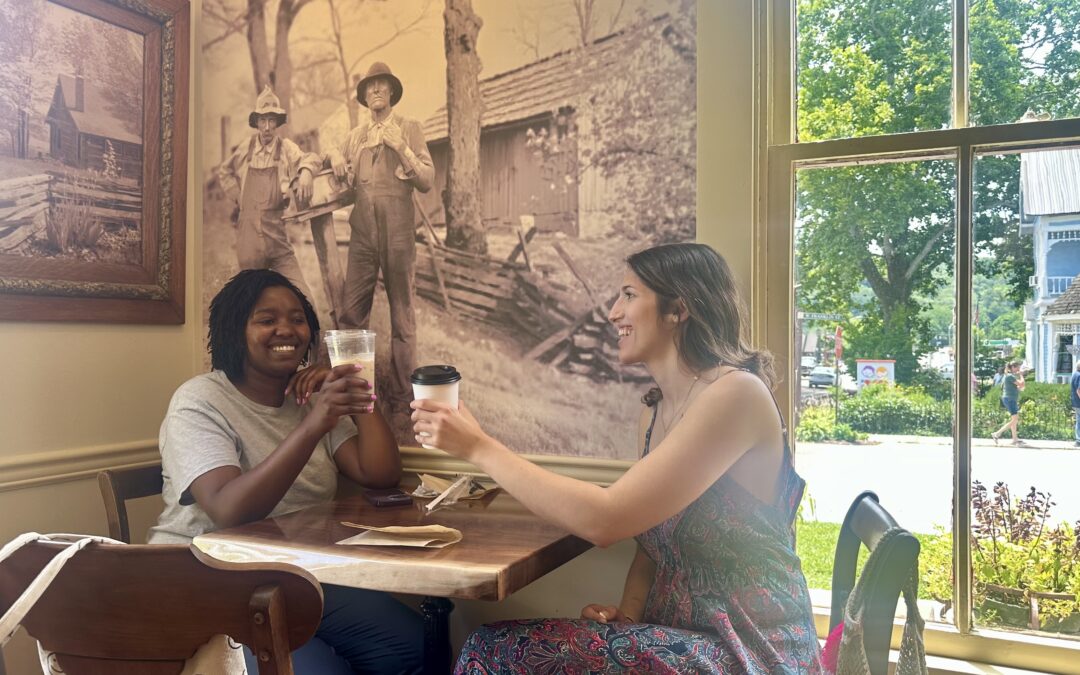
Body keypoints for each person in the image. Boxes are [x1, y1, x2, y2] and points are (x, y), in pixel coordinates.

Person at [413, 243, 822, 674]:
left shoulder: (736, 394)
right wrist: (627, 618)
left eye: (629, 295)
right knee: (502, 648)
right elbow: (650, 548)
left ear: (677, 309)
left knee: (490, 650)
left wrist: (478, 446)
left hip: (751, 649)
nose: (612, 313)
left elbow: (607, 521)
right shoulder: (654, 412)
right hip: (680, 637)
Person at [148, 269, 422, 674]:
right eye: (266, 319)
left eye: (297, 319)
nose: (286, 330)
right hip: (208, 585)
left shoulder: (308, 397)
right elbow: (229, 511)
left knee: (417, 645)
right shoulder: (199, 401)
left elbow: (379, 473)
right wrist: (315, 425)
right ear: (234, 331)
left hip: (296, 578)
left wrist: (355, 391)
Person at [325, 62, 434, 416]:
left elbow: (428, 179)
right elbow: (327, 156)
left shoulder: (410, 128)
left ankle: (403, 397)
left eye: (381, 86)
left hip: (400, 234)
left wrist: (402, 149)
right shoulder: (356, 136)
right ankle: (354, 393)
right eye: (369, 87)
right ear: (365, 95)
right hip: (363, 233)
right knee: (352, 311)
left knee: (401, 313)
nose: (375, 91)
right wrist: (335, 155)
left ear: (391, 92)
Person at [218, 86, 320, 304]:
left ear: (277, 123)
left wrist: (306, 173)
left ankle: (311, 338)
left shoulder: (286, 148)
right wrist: (238, 197)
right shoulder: (247, 147)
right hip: (249, 238)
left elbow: (311, 158)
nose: (267, 128)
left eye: (271, 120)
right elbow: (224, 171)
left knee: (304, 299)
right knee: (249, 304)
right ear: (256, 122)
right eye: (262, 120)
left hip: (277, 239)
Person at [991, 360, 1027, 446]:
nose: (1019, 368)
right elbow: (1022, 384)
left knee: (1014, 419)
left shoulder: (1008, 376)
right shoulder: (1010, 376)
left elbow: (1016, 387)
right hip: (1010, 399)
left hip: (1009, 399)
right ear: (1013, 367)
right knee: (1015, 419)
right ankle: (997, 434)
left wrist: (1018, 388)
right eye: (1018, 367)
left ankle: (1014, 439)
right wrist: (1021, 375)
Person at [1071, 359, 1080, 448]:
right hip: (1079, 402)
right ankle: (1078, 440)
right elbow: (1079, 390)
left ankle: (1078, 440)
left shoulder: (1074, 374)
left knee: (1078, 421)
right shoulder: (1079, 375)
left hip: (1075, 402)